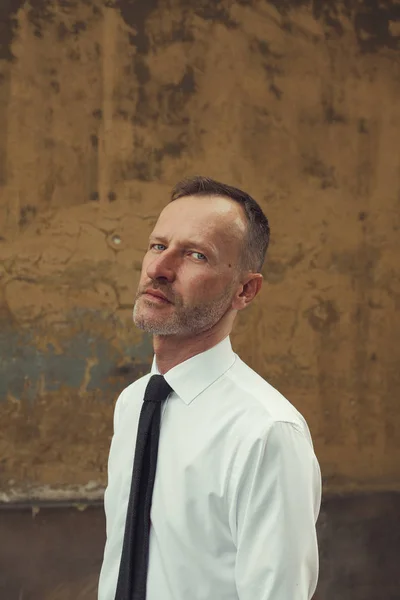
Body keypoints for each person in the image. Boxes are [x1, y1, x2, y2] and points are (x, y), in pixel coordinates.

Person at [98, 176, 321, 600]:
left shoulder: (267, 432)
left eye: (196, 255)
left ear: (245, 290)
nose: (159, 269)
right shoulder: (133, 404)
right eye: (159, 246)